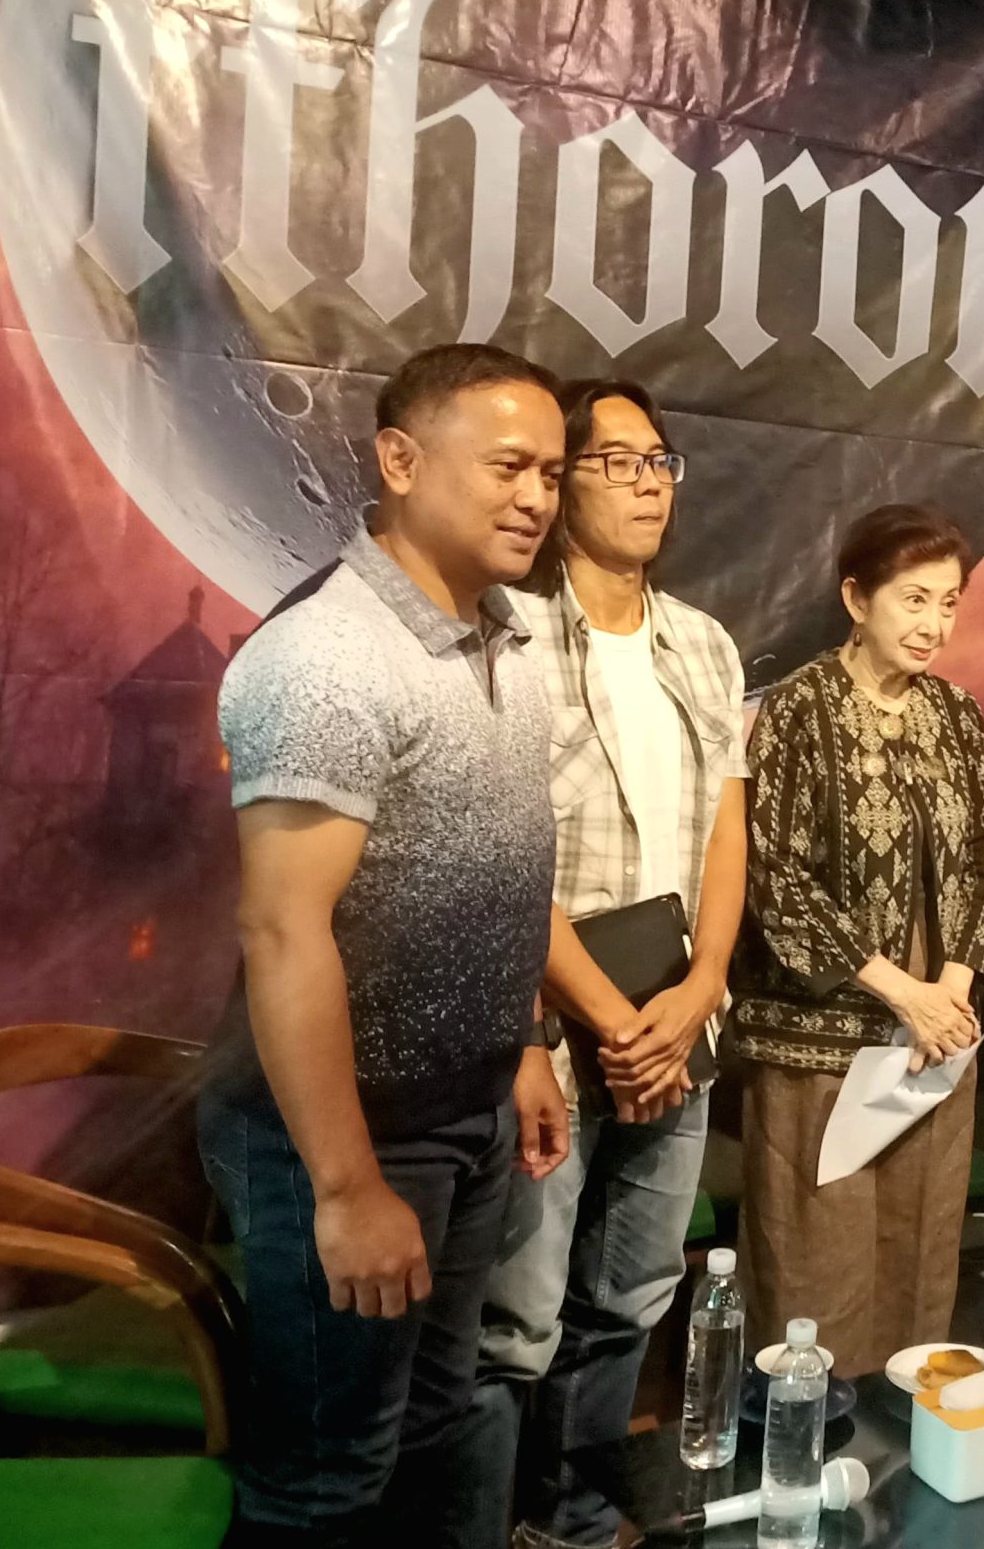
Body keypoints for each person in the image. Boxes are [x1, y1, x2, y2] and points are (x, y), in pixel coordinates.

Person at [200, 343, 577, 1547]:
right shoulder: (325, 657)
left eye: (552, 472)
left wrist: (523, 1040)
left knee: (427, 1425)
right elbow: (281, 929)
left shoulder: (508, 637)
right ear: (401, 461)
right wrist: (347, 1185)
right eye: (508, 466)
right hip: (341, 1133)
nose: (536, 496)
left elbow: (494, 876)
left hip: (467, 1112)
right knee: (325, 1475)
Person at [448, 381, 750, 1549]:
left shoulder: (704, 644)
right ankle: (485, 1525)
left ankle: (572, 1522)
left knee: (634, 1291)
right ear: (559, 479)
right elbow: (499, 854)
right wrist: (613, 1020)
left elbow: (727, 832)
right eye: (615, 461)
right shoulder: (507, 638)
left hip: (676, 1023)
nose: (645, 483)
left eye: (658, 461)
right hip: (554, 1035)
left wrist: (702, 985)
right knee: (514, 1320)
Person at [725, 503, 984, 1380]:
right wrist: (902, 991)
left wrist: (950, 991)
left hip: (936, 1037)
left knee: (922, 1245)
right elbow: (775, 877)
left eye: (949, 602)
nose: (934, 624)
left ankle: (904, 1433)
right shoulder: (799, 708)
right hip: (824, 1038)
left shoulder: (957, 714)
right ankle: (810, 1441)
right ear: (857, 598)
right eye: (913, 599)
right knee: (818, 1260)